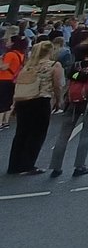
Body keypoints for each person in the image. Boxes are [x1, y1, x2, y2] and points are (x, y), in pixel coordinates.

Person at [50, 41, 88, 178]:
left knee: (63, 134)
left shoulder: (76, 65)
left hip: (73, 101)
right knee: (86, 134)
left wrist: (81, 75)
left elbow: (72, 76)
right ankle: (79, 165)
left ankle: (56, 167)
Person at [7, 40, 63, 175]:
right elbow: (57, 85)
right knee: (37, 133)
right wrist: (58, 100)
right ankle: (27, 164)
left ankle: (14, 165)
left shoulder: (28, 66)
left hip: (23, 101)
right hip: (41, 100)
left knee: (21, 133)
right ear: (50, 51)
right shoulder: (54, 65)